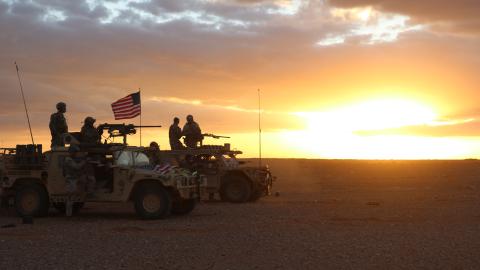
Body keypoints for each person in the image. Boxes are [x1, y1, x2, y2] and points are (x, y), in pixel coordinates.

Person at [63, 144, 86, 216]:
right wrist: (84, 162)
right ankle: (68, 214)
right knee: (70, 196)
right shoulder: (68, 159)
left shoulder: (71, 159)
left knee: (72, 197)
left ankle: (69, 213)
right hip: (70, 179)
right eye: (75, 152)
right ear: (71, 151)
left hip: (73, 179)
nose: (76, 153)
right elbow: (77, 167)